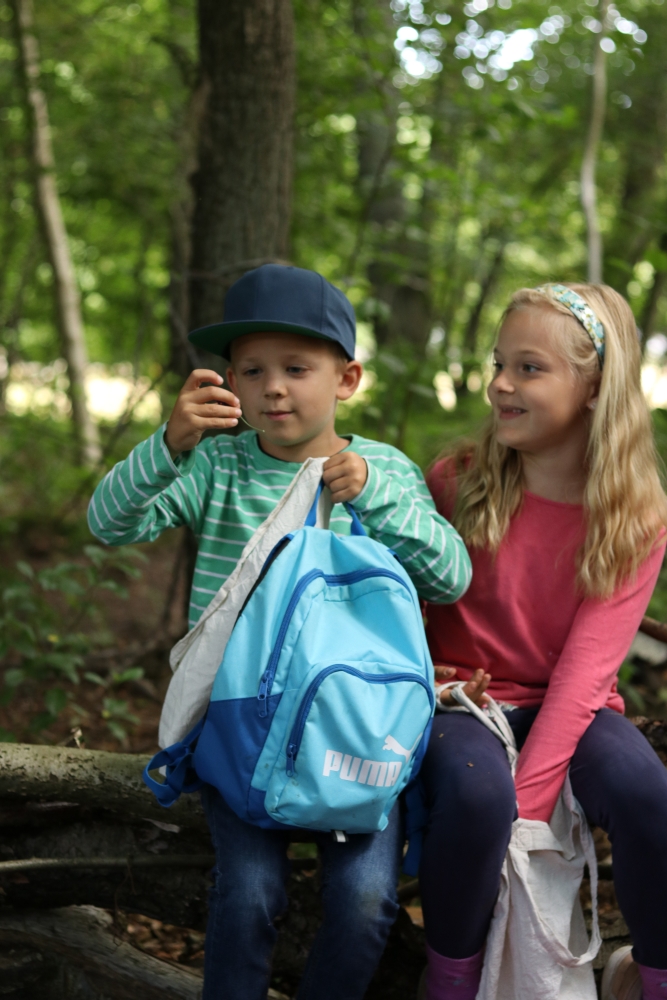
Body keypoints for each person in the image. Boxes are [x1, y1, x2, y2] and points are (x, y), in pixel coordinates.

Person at [88, 263, 471, 1000]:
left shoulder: (382, 468)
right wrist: (168, 444)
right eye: (252, 370)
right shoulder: (215, 465)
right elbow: (110, 524)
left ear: (347, 378)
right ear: (228, 379)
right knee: (248, 895)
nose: (274, 387)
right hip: (239, 727)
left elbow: (449, 576)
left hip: (355, 730)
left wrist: (376, 498)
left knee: (365, 902)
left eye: (297, 368)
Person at [418, 282, 667, 1000]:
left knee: (647, 794)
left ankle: (653, 979)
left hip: (571, 706)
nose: (499, 384)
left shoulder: (631, 517)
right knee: (474, 798)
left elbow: (586, 675)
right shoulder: (456, 482)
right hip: (458, 702)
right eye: (499, 364)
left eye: (528, 368)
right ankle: (451, 982)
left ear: (592, 386)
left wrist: (530, 813)